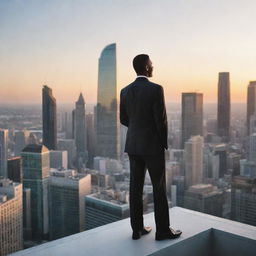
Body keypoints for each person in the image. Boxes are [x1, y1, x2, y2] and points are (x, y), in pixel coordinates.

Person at [119, 54, 182, 241]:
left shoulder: (124, 91)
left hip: (133, 146)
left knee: (135, 188)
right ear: (146, 68)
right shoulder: (156, 89)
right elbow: (161, 120)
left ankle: (137, 230)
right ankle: (162, 231)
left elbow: (123, 119)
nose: (153, 67)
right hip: (152, 147)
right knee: (159, 187)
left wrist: (137, 130)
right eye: (151, 64)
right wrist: (163, 143)